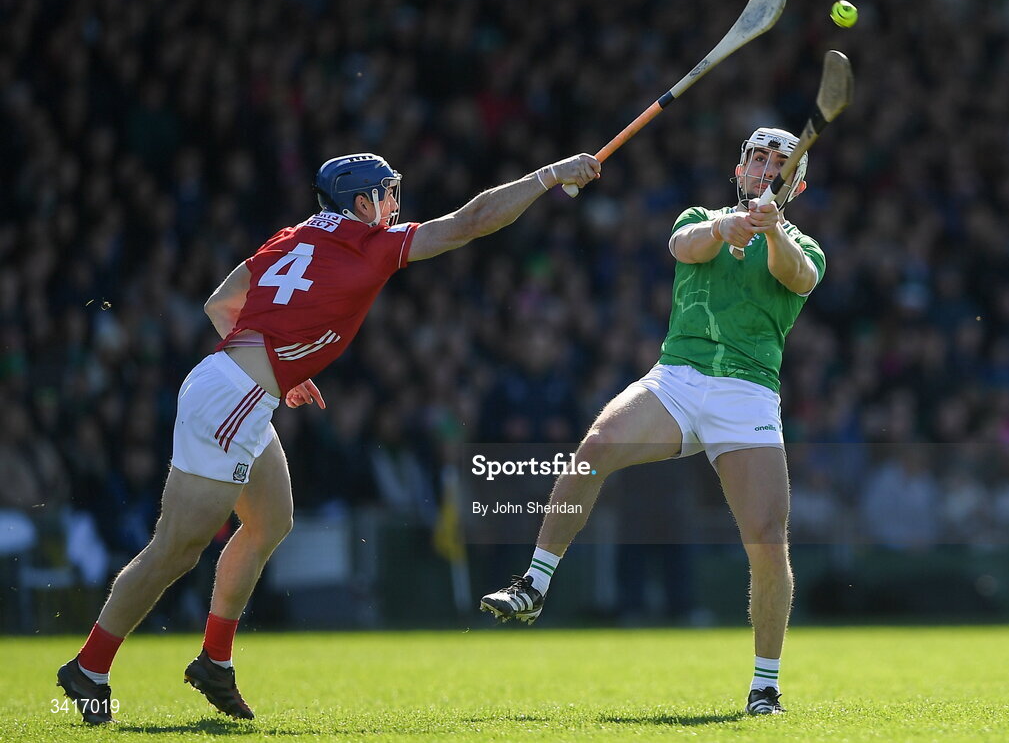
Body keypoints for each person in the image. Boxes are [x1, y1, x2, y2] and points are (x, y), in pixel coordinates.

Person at [57, 151, 601, 724]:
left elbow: (220, 303)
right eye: (388, 193)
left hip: (236, 391)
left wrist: (278, 366)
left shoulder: (292, 235)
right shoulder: (369, 244)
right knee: (176, 548)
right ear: (361, 203)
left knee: (271, 521)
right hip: (232, 403)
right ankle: (89, 668)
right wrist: (548, 176)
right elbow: (470, 222)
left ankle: (214, 661)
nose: (395, 204)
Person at [480, 128, 825, 716]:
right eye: (756, 159)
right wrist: (726, 227)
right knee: (595, 448)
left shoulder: (804, 246)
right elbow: (686, 246)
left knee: (768, 541)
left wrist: (769, 229)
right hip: (679, 378)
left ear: (797, 182)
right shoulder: (700, 217)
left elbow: (797, 276)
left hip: (748, 394)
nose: (766, 168)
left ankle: (765, 685)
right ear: (737, 171)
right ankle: (534, 583)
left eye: (779, 163)